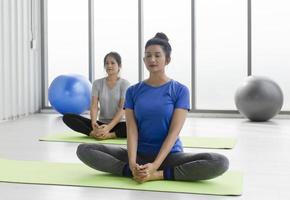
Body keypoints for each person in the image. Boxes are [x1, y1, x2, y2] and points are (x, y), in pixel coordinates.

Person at [76, 33, 229, 182]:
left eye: (157, 55)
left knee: (219, 161)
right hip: (138, 155)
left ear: (167, 59)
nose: (152, 59)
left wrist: (155, 167)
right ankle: (133, 171)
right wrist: (131, 162)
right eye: (148, 55)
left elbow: (173, 133)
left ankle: (159, 175)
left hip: (169, 156)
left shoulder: (180, 91)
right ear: (144, 59)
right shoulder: (133, 91)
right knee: (84, 149)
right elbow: (131, 130)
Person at [62, 52, 130, 140]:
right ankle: (93, 133)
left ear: (119, 66)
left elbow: (122, 110)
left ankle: (110, 135)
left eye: (112, 63)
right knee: (67, 117)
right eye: (107, 63)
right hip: (101, 124)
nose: (109, 66)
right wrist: (94, 124)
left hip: (119, 124)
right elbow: (94, 106)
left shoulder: (125, 84)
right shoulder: (97, 83)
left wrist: (108, 128)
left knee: (136, 126)